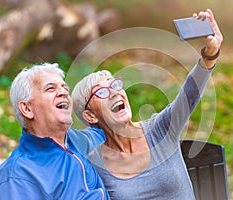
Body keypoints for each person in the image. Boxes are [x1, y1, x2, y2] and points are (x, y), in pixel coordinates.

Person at [71, 9, 223, 200]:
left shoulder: (159, 130)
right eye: (102, 92)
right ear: (90, 116)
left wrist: (210, 53)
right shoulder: (94, 165)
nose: (114, 93)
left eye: (115, 85)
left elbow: (189, 95)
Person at [0, 63, 110, 200]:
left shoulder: (83, 140)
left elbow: (122, 135)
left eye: (65, 88)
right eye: (50, 88)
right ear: (27, 109)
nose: (64, 93)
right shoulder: (19, 173)